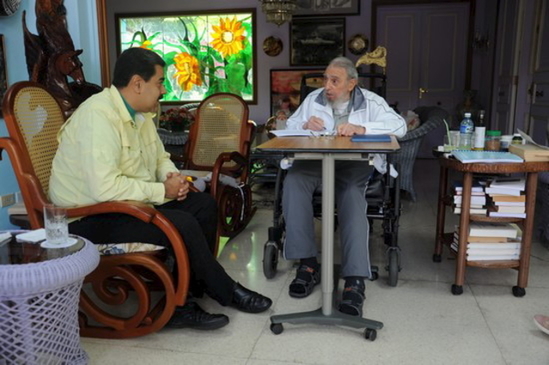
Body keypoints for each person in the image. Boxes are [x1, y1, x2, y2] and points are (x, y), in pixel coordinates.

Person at [49, 47, 272, 331]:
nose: (164, 89)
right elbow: (104, 188)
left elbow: (159, 157)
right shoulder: (98, 117)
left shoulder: (139, 113)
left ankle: (187, 293)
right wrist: (161, 192)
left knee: (204, 205)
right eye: (160, 82)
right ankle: (219, 291)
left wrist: (172, 178)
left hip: (125, 205)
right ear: (137, 84)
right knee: (181, 222)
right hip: (87, 218)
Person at [282, 56, 406, 317]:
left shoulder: (371, 101)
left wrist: (362, 127)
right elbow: (289, 126)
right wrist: (304, 124)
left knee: (351, 193)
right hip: (317, 161)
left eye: (334, 81)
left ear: (351, 84)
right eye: (325, 79)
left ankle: (355, 278)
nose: (327, 85)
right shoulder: (314, 99)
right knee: (293, 182)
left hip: (355, 163)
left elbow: (400, 126)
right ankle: (307, 264)